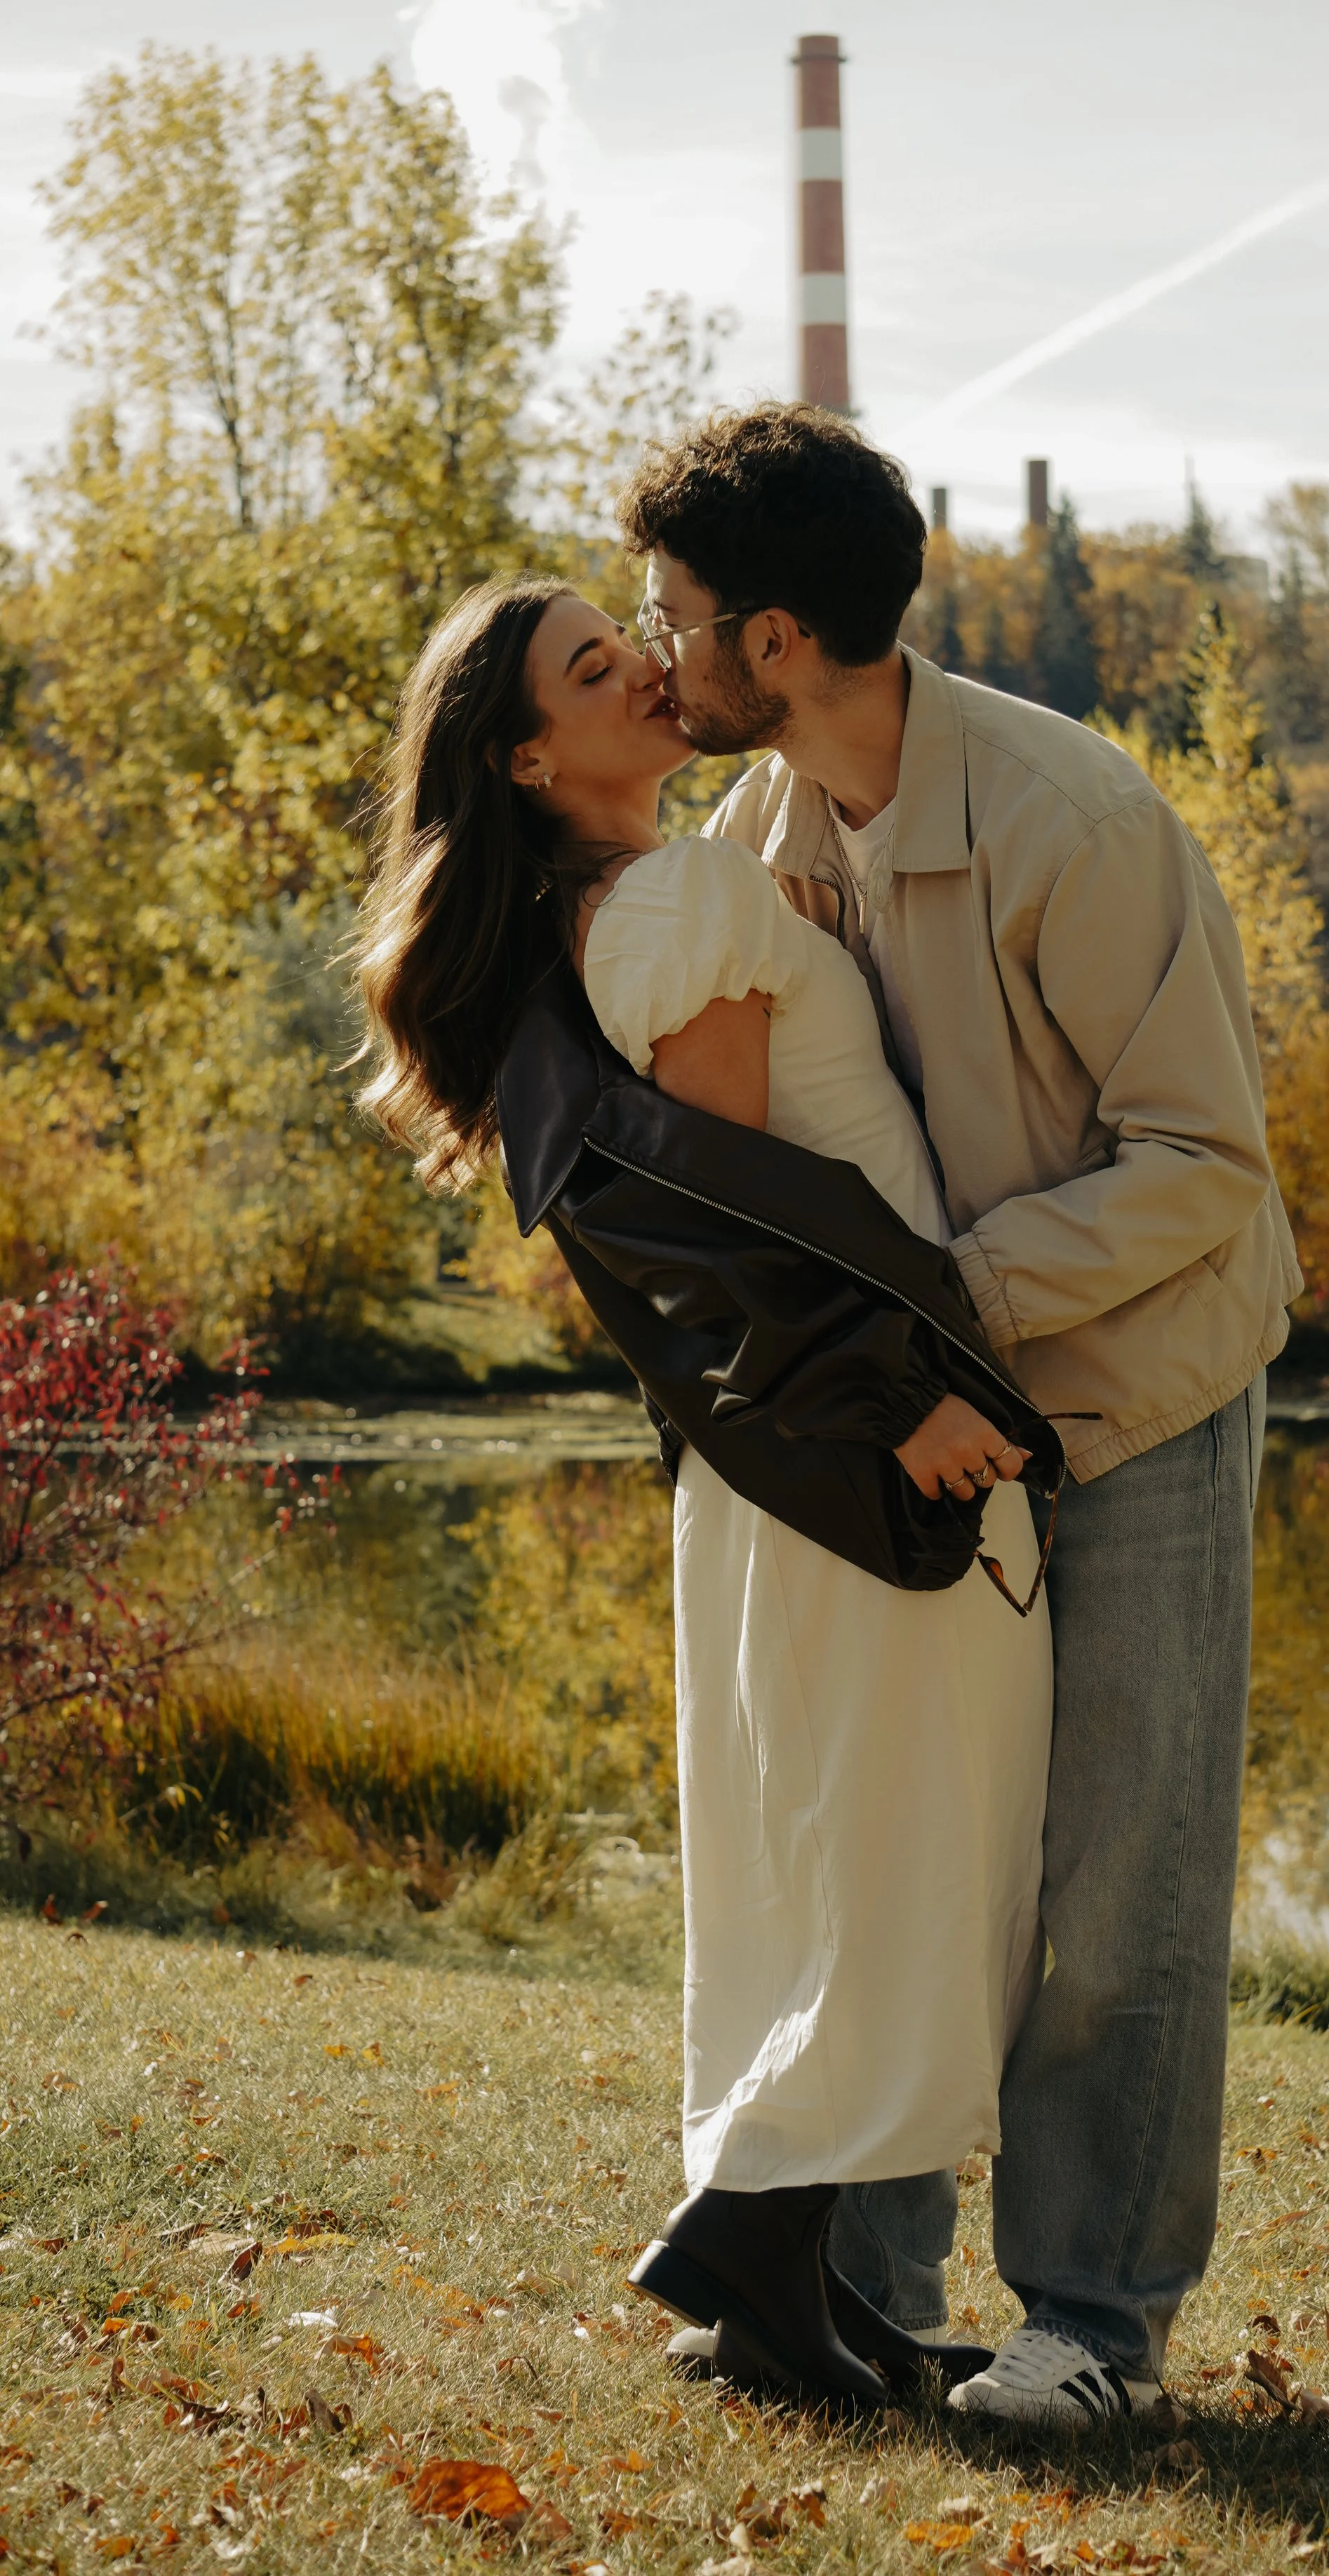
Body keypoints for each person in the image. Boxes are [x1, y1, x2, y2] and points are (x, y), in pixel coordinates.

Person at [616, 404, 1302, 2428]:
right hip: (924, 1417)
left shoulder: (1071, 820)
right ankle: (853, 2276)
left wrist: (939, 1315)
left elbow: (1207, 1165)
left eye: (667, 618)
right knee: (905, 1838)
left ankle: (1092, 2325)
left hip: (1137, 1392)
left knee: (1115, 1878)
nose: (649, 654)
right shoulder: (764, 837)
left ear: (773, 637)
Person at [351, 573, 1053, 2412]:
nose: (644, 668)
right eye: (597, 669)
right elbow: (728, 1225)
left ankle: (789, 2304)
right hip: (836, 1444)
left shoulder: (623, 901)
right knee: (886, 1855)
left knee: (827, 1852)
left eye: (630, 637)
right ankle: (744, 2247)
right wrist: (896, 1400)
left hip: (771, 1458)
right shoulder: (678, 899)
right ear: (527, 754)